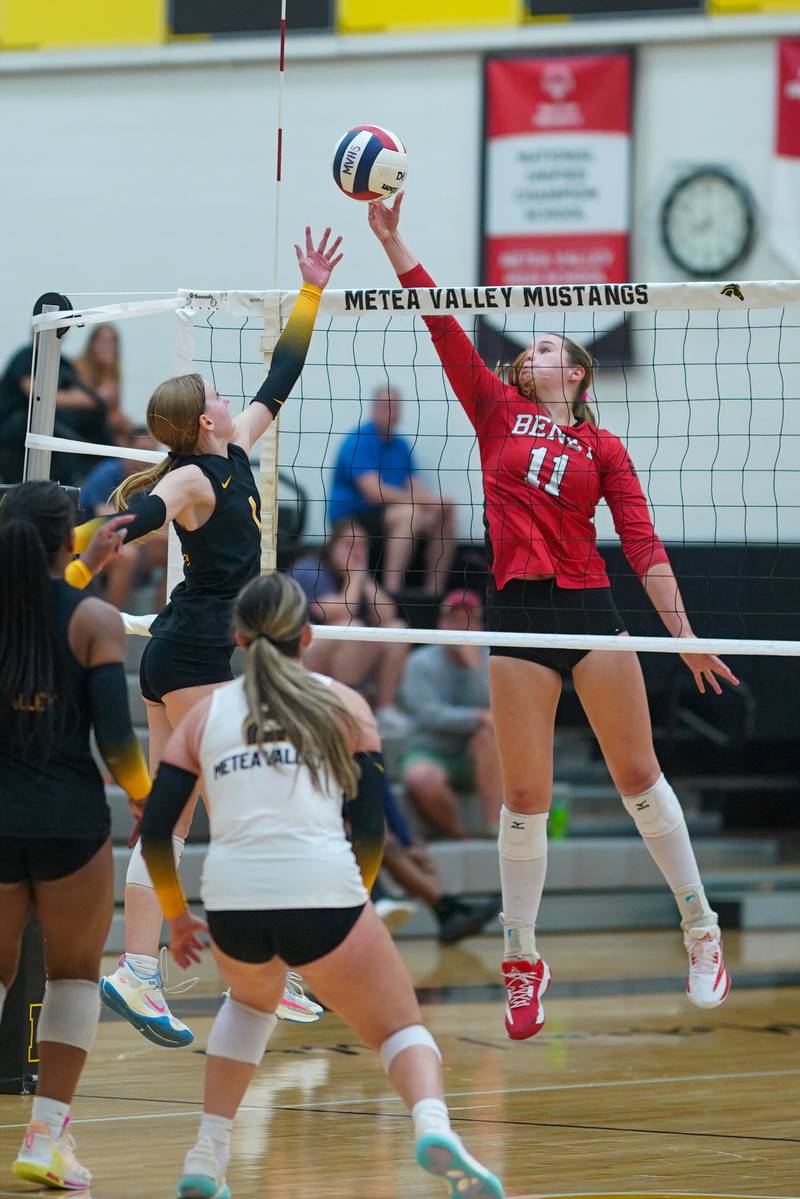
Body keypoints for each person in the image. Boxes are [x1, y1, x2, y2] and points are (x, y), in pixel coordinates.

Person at [368, 192, 737, 1040]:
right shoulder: (494, 409)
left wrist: (681, 635)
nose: (526, 353)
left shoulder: (603, 447)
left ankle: (699, 924)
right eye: (526, 348)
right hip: (517, 613)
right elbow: (441, 325)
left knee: (639, 778)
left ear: (572, 371)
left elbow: (643, 544)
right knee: (524, 796)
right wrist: (395, 240)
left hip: (590, 611)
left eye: (541, 347)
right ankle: (523, 954)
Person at [139, 572, 504, 1199]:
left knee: (249, 1005)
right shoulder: (345, 703)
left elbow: (152, 832)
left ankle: (207, 1155)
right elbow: (370, 831)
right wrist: (357, 902)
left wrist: (175, 918)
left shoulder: (203, 717)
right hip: (322, 892)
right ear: (308, 635)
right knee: (398, 1028)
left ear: (236, 637)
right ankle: (434, 1126)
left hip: (233, 904)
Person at [75, 226, 343, 1047]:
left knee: (172, 817)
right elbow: (147, 513)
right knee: (244, 810)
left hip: (183, 651)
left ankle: (141, 970)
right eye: (214, 394)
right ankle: (273, 972)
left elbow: (283, 375)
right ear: (197, 423)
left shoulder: (236, 450)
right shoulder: (194, 475)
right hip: (196, 654)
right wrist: (85, 566)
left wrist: (309, 291)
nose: (230, 395)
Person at [0, 481, 150, 1190]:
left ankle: (45, 1137)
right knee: (73, 976)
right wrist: (149, 802)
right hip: (71, 825)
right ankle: (43, 1137)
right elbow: (118, 742)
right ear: (65, 541)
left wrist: (83, 558)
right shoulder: (95, 618)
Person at [328, 384, 456, 594]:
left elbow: (415, 487)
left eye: (395, 407)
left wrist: (436, 503)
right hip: (354, 516)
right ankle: (392, 590)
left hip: (386, 513)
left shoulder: (401, 446)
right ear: (374, 409)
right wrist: (420, 501)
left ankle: (434, 592)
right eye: (386, 406)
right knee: (410, 513)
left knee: (445, 509)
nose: (391, 412)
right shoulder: (359, 440)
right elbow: (374, 493)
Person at [290, 516, 409, 736]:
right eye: (348, 544)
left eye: (362, 545)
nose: (357, 551)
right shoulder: (310, 569)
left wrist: (362, 578)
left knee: (397, 630)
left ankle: (385, 709)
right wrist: (355, 577)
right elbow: (342, 611)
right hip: (305, 653)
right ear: (332, 546)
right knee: (349, 626)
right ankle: (346, 701)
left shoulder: (357, 575)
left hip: (349, 651)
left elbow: (388, 614)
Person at [400, 589, 503, 840]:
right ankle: (459, 835)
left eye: (469, 620)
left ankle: (495, 827)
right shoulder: (420, 662)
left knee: (490, 735)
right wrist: (476, 717)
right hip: (430, 749)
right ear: (441, 624)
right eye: (455, 619)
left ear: (480, 626)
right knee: (421, 778)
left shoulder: (493, 661)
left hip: (477, 753)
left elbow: (499, 711)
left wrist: (475, 669)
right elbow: (428, 714)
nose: (462, 627)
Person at [378, 772, 501, 944]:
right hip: (335, 830)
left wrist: (407, 842)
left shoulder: (367, 754)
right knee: (381, 839)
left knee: (413, 849)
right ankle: (446, 909)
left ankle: (446, 911)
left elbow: (380, 793)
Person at [0, 329, 112, 484]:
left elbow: (89, 399)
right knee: (55, 422)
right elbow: (35, 393)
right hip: (14, 427)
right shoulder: (26, 357)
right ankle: (71, 480)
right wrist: (65, 398)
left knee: (91, 423)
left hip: (47, 425)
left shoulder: (62, 363)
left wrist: (58, 398)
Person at [80, 428, 169, 611]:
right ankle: (114, 625)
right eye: (141, 451)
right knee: (126, 556)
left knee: (175, 550)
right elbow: (111, 525)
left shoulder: (155, 478)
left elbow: (165, 526)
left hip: (134, 542)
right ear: (126, 448)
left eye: (151, 452)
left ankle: (163, 624)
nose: (146, 458)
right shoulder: (106, 473)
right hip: (93, 545)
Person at [74, 323, 131, 442]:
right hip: (81, 429)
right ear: (92, 344)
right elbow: (94, 403)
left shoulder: (113, 372)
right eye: (103, 342)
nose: (107, 347)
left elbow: (114, 410)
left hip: (102, 429)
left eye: (111, 343)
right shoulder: (78, 366)